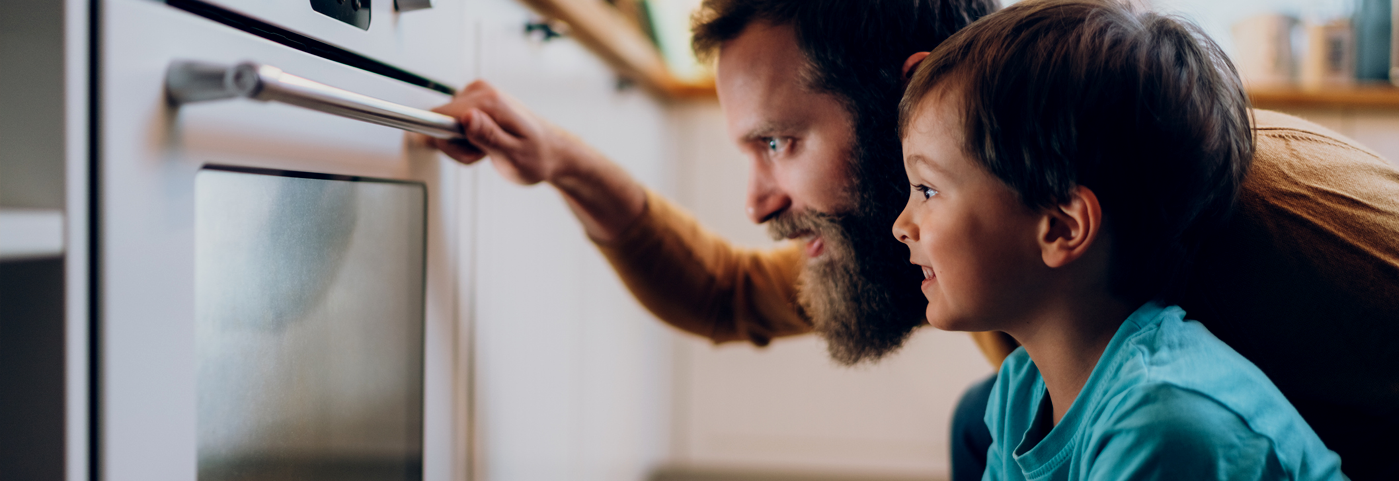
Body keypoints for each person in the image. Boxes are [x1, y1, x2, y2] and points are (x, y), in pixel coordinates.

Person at [428, 0, 1399, 478]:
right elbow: (727, 293)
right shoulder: (976, 228)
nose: (760, 201)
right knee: (987, 417)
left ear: (908, 95)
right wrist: (560, 160)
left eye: (781, 141)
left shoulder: (1267, 219)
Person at [893, 1, 1344, 478]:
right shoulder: (1021, 388)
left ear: (1063, 228)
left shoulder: (1163, 425)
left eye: (927, 190)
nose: (902, 225)